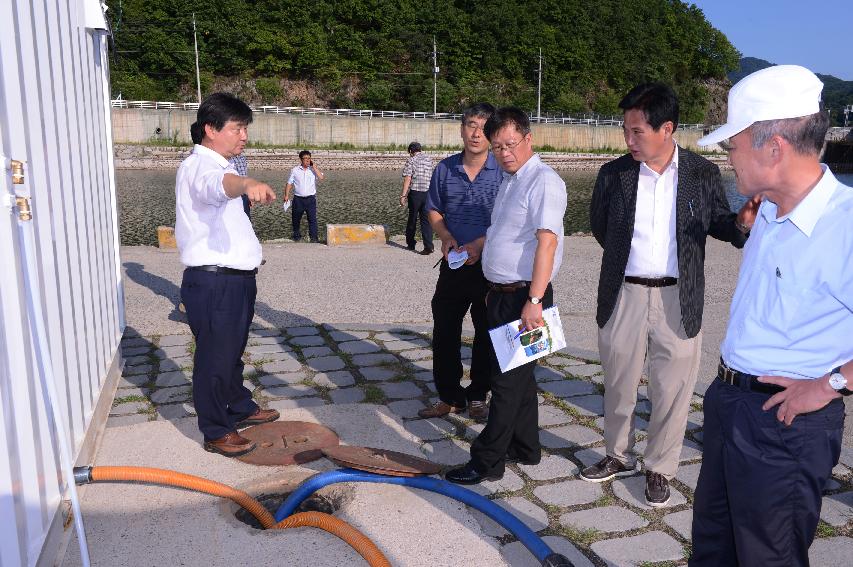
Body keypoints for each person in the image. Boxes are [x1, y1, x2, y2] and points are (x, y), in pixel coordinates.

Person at [690, 65, 852, 566]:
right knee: (713, 549)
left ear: (773, 147)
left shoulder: (844, 225)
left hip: (785, 419)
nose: (727, 157)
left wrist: (832, 385)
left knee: (769, 558)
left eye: (732, 145)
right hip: (728, 403)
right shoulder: (767, 208)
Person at [581, 83, 756, 507]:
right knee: (618, 382)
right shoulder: (614, 174)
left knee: (673, 388)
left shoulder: (701, 173)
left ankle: (659, 467)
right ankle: (617, 455)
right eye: (626, 130)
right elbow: (603, 229)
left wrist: (744, 224)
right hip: (624, 293)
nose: (629, 140)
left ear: (667, 128)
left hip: (681, 296)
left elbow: (720, 225)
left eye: (637, 131)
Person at [445, 107, 567, 484]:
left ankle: (486, 461)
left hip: (526, 298)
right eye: (497, 147)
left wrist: (534, 301)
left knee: (505, 382)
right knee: (521, 379)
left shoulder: (543, 181)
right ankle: (526, 447)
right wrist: (480, 249)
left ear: (528, 139)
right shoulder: (512, 180)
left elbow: (547, 243)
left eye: (510, 144)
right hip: (501, 295)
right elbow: (504, 230)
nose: (504, 153)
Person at [176, 92, 280, 457]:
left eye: (244, 129)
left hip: (233, 279)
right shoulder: (201, 167)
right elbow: (218, 188)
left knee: (231, 351)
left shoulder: (221, 164)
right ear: (210, 129)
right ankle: (217, 430)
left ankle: (238, 404)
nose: (244, 137)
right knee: (215, 358)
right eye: (237, 129)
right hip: (215, 280)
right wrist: (247, 183)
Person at [419, 103, 502, 421]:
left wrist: (480, 244)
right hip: (453, 264)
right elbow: (434, 210)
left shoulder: (502, 171)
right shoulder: (445, 168)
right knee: (444, 329)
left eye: (482, 126)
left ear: (491, 132)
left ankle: (479, 395)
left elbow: (508, 219)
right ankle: (449, 396)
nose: (475, 132)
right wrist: (444, 235)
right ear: (461, 128)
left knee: (486, 331)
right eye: (470, 124)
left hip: (489, 265)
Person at [399, 142, 435, 254]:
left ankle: (411, 244)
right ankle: (429, 246)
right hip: (428, 193)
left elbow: (408, 179)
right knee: (426, 220)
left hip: (415, 194)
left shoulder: (411, 160)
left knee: (412, 219)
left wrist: (403, 195)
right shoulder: (429, 159)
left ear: (411, 151)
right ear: (420, 149)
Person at [284, 150, 324, 242]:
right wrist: (286, 195)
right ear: (301, 159)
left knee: (312, 220)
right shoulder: (295, 170)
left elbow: (321, 178)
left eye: (309, 158)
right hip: (298, 200)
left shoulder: (313, 170)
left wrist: (314, 167)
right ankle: (297, 238)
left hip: (310, 199)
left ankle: (314, 239)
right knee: (296, 220)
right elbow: (289, 183)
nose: (307, 160)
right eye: (305, 158)